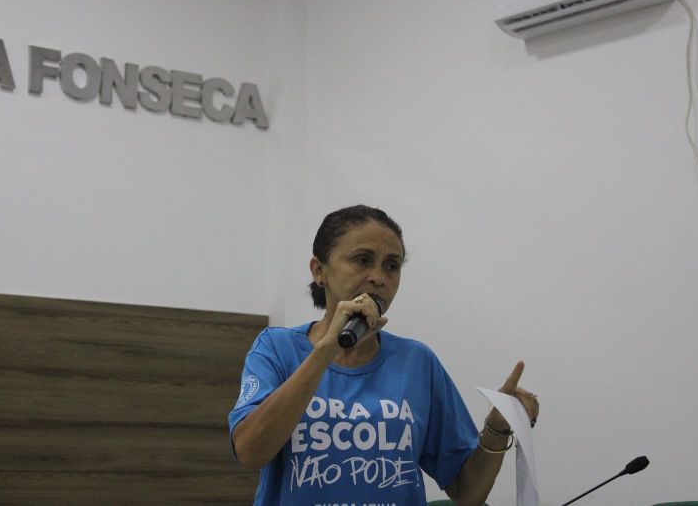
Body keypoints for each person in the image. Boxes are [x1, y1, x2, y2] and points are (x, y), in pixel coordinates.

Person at [229, 205, 539, 506]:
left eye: (392, 266)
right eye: (362, 260)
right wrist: (326, 350)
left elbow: (467, 492)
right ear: (319, 271)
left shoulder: (417, 362)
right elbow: (250, 452)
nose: (378, 277)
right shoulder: (276, 348)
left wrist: (497, 429)